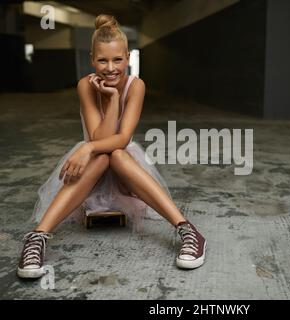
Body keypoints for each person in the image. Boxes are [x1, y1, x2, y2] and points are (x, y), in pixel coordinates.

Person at [17, 14, 206, 279]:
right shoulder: (85, 85)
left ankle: (189, 231)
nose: (110, 68)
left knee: (116, 154)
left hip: (123, 168)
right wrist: (104, 115)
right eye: (102, 60)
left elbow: (122, 139)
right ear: (92, 59)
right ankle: (37, 238)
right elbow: (98, 137)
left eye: (117, 59)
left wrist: (113, 100)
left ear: (127, 58)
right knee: (103, 157)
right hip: (91, 171)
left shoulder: (136, 85)